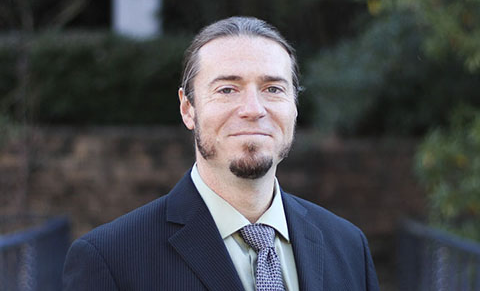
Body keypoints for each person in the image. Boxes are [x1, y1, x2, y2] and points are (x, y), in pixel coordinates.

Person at [63, 16, 380, 291]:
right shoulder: (112, 260)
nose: (253, 110)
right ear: (188, 109)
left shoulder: (348, 247)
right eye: (227, 89)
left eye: (273, 88)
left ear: (294, 107)